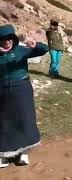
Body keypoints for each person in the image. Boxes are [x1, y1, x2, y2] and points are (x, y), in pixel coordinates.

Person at [0, 24, 49, 168]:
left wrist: (34, 44)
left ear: (13, 39)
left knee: (24, 120)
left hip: (22, 90)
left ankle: (23, 153)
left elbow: (44, 50)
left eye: (9, 39)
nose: (7, 42)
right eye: (3, 39)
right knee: (4, 123)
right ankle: (4, 155)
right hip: (2, 93)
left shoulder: (21, 50)